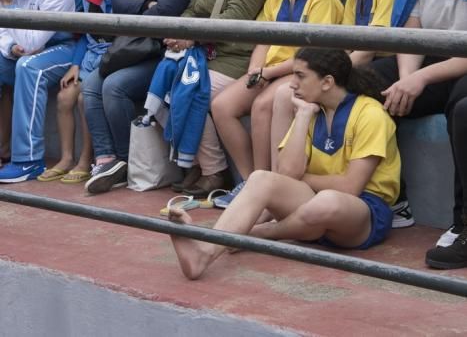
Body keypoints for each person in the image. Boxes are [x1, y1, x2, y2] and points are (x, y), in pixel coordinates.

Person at [167, 47, 400, 280]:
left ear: (327, 82)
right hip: (312, 210)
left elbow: (351, 187)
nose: (292, 84)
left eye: (300, 76)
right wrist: (302, 116)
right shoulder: (312, 109)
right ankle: (204, 252)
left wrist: (302, 179)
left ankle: (258, 234)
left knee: (327, 201)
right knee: (261, 178)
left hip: (362, 214)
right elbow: (286, 172)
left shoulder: (371, 113)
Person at [211, 0, 344, 206]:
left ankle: (269, 186)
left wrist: (269, 74)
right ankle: (250, 182)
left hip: (300, 72)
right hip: (269, 72)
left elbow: (313, 55)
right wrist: (255, 69)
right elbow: (263, 37)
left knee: (262, 106)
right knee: (222, 106)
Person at [156, 0, 276, 197]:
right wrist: (180, 32)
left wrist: (191, 37)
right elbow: (194, 9)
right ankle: (196, 160)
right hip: (206, 50)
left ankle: (215, 170)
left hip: (236, 55)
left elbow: (235, 18)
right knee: (165, 86)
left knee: (196, 89)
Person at [369, 0, 467, 246]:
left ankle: (463, 223)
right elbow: (411, 31)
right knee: (357, 82)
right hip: (429, 59)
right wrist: (407, 77)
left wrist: (419, 78)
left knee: (463, 108)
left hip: (461, 65)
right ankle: (390, 199)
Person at [82, 0, 203, 194]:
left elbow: (166, 12)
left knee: (114, 86)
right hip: (136, 48)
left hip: (165, 54)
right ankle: (106, 158)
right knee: (90, 85)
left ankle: (126, 160)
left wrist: (149, 8)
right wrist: (146, 5)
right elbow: (119, 0)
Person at [38, 0, 128, 184]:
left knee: (83, 99)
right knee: (65, 97)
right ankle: (67, 158)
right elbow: (82, 38)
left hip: (110, 60)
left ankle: (86, 159)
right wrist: (75, 65)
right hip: (88, 58)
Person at [0, 0, 83, 183]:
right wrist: (9, 47)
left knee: (29, 66)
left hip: (71, 49)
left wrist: (8, 4)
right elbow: (6, 35)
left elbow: (32, 44)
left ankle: (28, 160)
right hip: (29, 48)